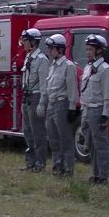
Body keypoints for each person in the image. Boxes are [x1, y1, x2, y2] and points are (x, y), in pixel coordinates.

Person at [80, 34, 109, 185]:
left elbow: (108, 94)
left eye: (91, 49)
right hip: (86, 109)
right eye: (87, 49)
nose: (87, 52)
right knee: (90, 144)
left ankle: (103, 176)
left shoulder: (106, 70)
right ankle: (95, 174)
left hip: (98, 109)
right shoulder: (88, 67)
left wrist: (105, 114)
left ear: (99, 51)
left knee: (101, 145)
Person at [44, 34, 79, 177]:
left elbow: (72, 89)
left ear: (59, 49)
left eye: (51, 48)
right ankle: (57, 166)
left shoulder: (68, 66)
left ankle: (68, 168)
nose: (49, 51)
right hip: (51, 104)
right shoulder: (52, 65)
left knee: (65, 138)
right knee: (53, 138)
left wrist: (72, 108)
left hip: (62, 103)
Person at [20, 28, 50, 173]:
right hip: (26, 96)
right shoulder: (28, 57)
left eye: (25, 41)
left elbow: (44, 84)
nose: (23, 44)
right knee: (27, 131)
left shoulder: (42, 60)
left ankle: (40, 163)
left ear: (33, 42)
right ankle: (30, 161)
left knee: (37, 131)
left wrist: (42, 103)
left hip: (36, 96)